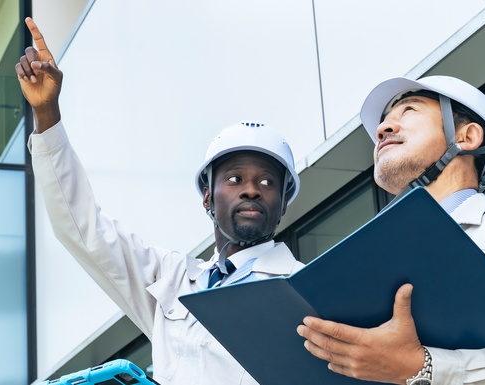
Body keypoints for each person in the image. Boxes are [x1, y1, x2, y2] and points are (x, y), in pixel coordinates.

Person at [17, 17, 305, 384]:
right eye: (234, 179)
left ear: (283, 204)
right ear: (207, 196)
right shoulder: (171, 278)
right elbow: (83, 229)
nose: (251, 189)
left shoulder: (302, 289)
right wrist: (47, 114)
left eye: (267, 182)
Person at [296, 75, 485, 384]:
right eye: (384, 122)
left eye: (409, 110)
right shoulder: (374, 259)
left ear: (467, 137)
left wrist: (421, 368)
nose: (383, 129)